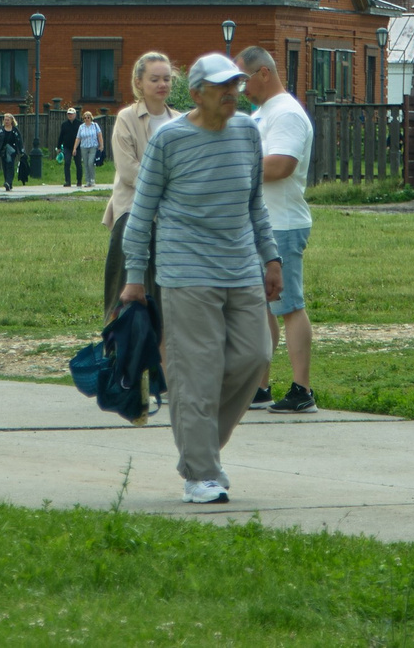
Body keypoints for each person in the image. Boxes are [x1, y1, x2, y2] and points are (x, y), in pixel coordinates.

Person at [120, 52, 281, 505]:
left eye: (236, 84)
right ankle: (200, 473)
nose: (233, 93)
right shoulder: (169, 140)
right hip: (185, 270)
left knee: (255, 355)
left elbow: (254, 203)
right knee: (197, 370)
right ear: (196, 93)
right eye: (222, 86)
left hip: (241, 266)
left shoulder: (248, 131)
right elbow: (142, 211)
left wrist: (271, 258)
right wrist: (135, 277)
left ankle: (199, 445)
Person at [239, 46, 317, 414]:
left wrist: (236, 172)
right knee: (263, 309)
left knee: (289, 306)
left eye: (245, 80)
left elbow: (282, 165)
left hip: (282, 224)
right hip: (263, 223)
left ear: (264, 73)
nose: (242, 89)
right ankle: (260, 387)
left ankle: (302, 389)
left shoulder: (286, 114)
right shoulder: (262, 114)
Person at [104, 52, 178, 320]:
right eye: (155, 79)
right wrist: (165, 188)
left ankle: (161, 355)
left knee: (165, 298)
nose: (162, 84)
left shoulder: (181, 121)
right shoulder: (126, 118)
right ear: (139, 82)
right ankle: (118, 353)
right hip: (132, 212)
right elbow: (127, 170)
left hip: (172, 218)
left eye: (167, 79)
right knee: (124, 298)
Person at [0, 112, 24, 192]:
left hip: (12, 151)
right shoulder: (0, 130)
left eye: (8, 120)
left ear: (11, 121)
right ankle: (8, 183)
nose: (6, 121)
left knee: (10, 166)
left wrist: (21, 150)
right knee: (5, 166)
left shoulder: (15, 130)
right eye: (5, 120)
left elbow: (19, 140)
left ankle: (8, 182)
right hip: (3, 151)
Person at [75, 110, 103, 188]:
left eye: (88, 117)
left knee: (91, 162)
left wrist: (101, 145)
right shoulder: (81, 127)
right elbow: (78, 138)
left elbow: (99, 135)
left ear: (91, 118)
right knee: (86, 164)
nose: (86, 119)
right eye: (85, 118)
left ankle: (92, 179)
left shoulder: (95, 125)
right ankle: (87, 181)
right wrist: (75, 148)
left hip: (93, 146)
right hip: (84, 147)